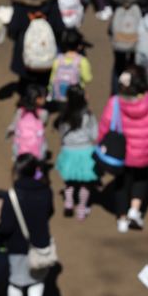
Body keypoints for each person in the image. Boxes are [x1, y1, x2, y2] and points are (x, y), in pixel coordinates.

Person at [97, 64, 148, 233]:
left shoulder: (114, 103)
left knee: (121, 185)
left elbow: (104, 127)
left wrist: (100, 145)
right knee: (141, 180)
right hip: (144, 154)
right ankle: (135, 210)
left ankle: (122, 220)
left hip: (121, 155)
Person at [0, 153, 54, 296]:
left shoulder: (11, 195)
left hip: (16, 246)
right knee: (37, 278)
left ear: (17, 171)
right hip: (40, 245)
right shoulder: (46, 191)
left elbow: (5, 226)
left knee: (16, 282)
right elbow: (49, 213)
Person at [8, 0, 65, 90]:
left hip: (25, 52)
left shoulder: (20, 0)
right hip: (46, 53)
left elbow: (13, 27)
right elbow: (60, 27)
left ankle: (26, 107)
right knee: (43, 87)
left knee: (25, 86)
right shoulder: (51, 0)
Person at [54, 84, 99, 220]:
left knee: (69, 181)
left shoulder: (64, 115)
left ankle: (68, 203)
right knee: (85, 184)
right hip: (86, 153)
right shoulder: (89, 116)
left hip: (68, 152)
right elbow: (95, 135)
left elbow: (62, 132)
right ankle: (82, 209)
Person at [48, 28, 92, 108]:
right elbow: (87, 79)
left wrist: (50, 89)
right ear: (80, 46)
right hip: (75, 96)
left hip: (60, 96)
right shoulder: (82, 61)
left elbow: (52, 78)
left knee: (63, 112)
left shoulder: (58, 59)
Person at [6, 84, 49, 160]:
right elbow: (43, 126)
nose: (44, 99)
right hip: (36, 146)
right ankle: (38, 171)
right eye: (43, 97)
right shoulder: (43, 113)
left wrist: (9, 132)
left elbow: (14, 125)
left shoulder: (20, 111)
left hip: (21, 145)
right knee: (36, 165)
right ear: (37, 99)